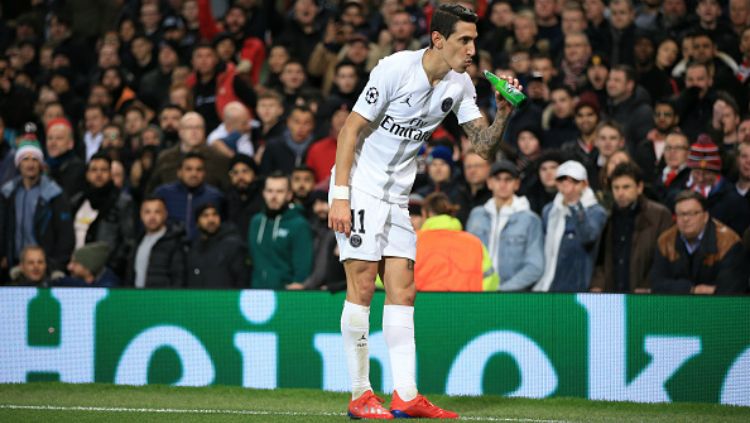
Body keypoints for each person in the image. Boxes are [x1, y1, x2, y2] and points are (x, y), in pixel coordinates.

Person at [328, 4, 521, 419]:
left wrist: (504, 110)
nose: (472, 49)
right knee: (362, 288)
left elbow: (484, 148)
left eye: (474, 40)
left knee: (404, 291)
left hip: (397, 198)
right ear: (438, 39)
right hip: (360, 187)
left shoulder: (461, 85)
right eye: (463, 40)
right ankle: (360, 395)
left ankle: (406, 395)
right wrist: (340, 195)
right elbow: (350, 130)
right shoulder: (394, 69)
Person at [591, 162, 673, 292]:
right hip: (612, 295)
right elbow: (599, 259)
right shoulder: (607, 216)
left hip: (646, 296)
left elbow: (665, 259)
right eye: (616, 188)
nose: (620, 193)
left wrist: (649, 286)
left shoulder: (660, 215)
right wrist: (598, 284)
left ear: (639, 187)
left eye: (626, 187)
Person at [466, 160, 544, 291]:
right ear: (489, 183)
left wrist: (503, 290)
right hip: (477, 293)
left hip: (513, 296)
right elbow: (466, 256)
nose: (503, 184)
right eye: (498, 179)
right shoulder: (476, 215)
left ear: (517, 184)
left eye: (508, 179)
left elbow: (535, 266)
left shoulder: (530, 219)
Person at [0, 138, 74, 275]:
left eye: (35, 159)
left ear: (41, 164)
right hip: (13, 265)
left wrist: (55, 265)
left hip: (44, 267)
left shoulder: (54, 194)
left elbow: (66, 235)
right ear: (18, 164)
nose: (30, 164)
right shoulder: (7, 194)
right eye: (25, 159)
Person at [651, 190, 748, 293]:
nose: (685, 219)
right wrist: (691, 289)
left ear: (705, 216)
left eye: (692, 213)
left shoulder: (728, 242)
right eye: (680, 214)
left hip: (717, 306)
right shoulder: (665, 241)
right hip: (676, 306)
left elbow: (731, 286)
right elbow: (657, 284)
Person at [534, 160, 607, 292]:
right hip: (548, 284)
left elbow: (588, 237)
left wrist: (574, 203)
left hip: (577, 287)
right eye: (562, 180)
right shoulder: (550, 210)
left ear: (585, 184)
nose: (567, 185)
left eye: (574, 181)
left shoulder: (596, 211)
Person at [415, 192, 498, 291]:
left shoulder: (413, 241)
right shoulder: (474, 243)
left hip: (424, 304)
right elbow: (490, 280)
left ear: (424, 213)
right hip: (469, 304)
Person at [71, 153, 135, 276]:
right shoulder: (77, 201)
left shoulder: (123, 202)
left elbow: (128, 242)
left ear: (111, 174)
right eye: (94, 170)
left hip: (106, 273)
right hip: (75, 271)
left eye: (103, 170)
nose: (98, 174)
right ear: (87, 174)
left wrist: (109, 268)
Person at [248, 172, 313, 290]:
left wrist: (299, 282)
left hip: (286, 294)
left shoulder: (299, 224)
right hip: (256, 292)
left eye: (279, 191)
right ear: (263, 193)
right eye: (270, 191)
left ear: (289, 195)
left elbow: (303, 262)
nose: (273, 196)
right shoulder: (255, 222)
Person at [153, 152, 224, 239]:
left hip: (203, 248)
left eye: (199, 169)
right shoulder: (163, 193)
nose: (194, 174)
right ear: (179, 172)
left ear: (204, 173)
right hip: (169, 247)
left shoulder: (215, 196)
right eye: (188, 169)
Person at [126, 196, 187, 288]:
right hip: (137, 298)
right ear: (141, 215)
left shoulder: (175, 242)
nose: (152, 217)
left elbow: (178, 277)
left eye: (157, 212)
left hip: (162, 299)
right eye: (147, 212)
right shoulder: (137, 241)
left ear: (165, 214)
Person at [186, 203, 249, 288]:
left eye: (215, 215)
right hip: (199, 299)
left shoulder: (233, 245)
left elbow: (242, 279)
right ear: (197, 222)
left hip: (224, 299)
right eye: (205, 216)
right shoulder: (192, 248)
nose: (211, 219)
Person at [45, 117, 86, 199]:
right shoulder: (43, 167)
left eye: (59, 138)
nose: (53, 143)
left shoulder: (79, 169)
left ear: (70, 143)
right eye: (50, 138)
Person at [226, 154, 264, 239]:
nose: (240, 177)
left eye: (245, 171)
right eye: (235, 172)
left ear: (254, 174)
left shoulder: (264, 197)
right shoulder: (226, 199)